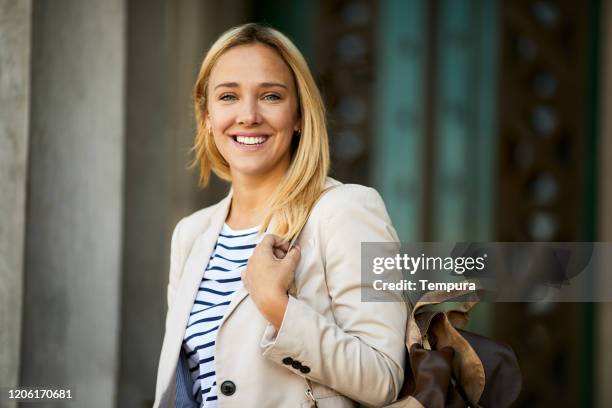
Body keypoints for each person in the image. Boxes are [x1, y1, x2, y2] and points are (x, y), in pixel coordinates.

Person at [153, 23, 407, 408]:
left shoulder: (346, 211)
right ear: (206, 116)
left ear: (299, 115)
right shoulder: (191, 235)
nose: (248, 115)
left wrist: (279, 307)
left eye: (270, 96)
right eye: (228, 97)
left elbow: (384, 377)